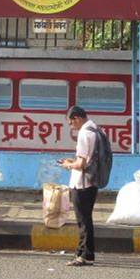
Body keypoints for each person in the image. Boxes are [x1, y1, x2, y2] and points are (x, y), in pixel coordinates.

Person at [59, 105, 98, 267]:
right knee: (87, 219)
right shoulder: (95, 129)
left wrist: (68, 165)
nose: (71, 126)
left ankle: (81, 256)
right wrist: (73, 162)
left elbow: (81, 163)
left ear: (77, 118)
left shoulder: (84, 133)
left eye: (71, 122)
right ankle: (88, 254)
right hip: (93, 181)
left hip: (81, 183)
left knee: (83, 221)